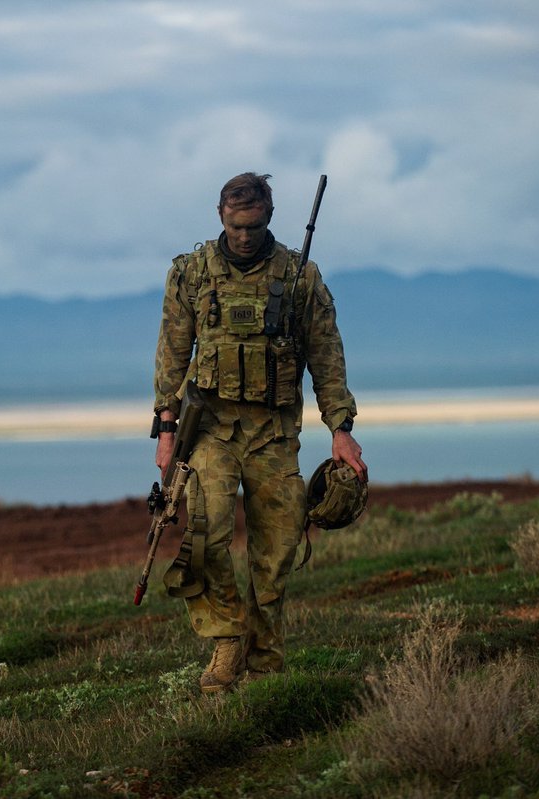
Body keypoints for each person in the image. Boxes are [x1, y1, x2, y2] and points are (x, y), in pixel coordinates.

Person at [151, 172, 367, 692]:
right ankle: (227, 640)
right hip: (211, 431)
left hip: (273, 435)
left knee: (276, 553)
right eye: (235, 224)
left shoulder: (299, 277)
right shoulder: (191, 273)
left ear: (269, 217)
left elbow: (326, 356)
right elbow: (173, 350)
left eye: (254, 225)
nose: (244, 235)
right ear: (220, 216)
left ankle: (265, 659)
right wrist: (165, 426)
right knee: (207, 531)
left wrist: (341, 428)